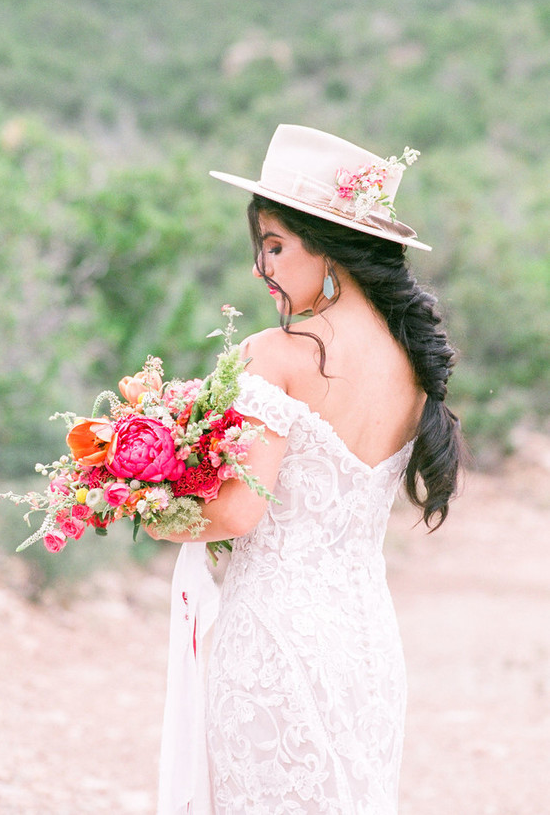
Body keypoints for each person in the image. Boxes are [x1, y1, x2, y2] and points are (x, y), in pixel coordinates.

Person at [155, 125, 463, 815]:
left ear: (328, 246)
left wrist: (146, 507)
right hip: (366, 640)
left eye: (274, 245)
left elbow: (237, 511)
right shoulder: (411, 361)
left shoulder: (278, 353)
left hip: (274, 636)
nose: (260, 269)